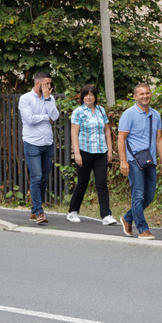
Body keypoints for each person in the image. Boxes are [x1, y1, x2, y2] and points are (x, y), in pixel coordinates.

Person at [117, 83, 162, 240]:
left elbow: (159, 139)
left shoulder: (155, 114)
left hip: (150, 160)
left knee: (149, 195)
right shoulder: (129, 114)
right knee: (138, 195)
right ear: (135, 96)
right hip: (134, 160)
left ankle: (127, 218)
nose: (145, 96)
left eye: (147, 93)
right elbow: (121, 138)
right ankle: (142, 229)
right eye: (141, 94)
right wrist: (123, 161)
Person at [67, 85, 116, 225]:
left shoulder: (101, 110)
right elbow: (74, 134)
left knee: (102, 183)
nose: (88, 97)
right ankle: (72, 212)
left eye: (91, 95)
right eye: (86, 95)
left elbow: (107, 131)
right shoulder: (78, 112)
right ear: (82, 97)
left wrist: (110, 150)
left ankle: (106, 215)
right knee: (82, 182)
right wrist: (77, 153)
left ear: (95, 96)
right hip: (85, 151)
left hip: (101, 152)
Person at [19, 71, 60, 224]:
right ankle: (39, 212)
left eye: (50, 83)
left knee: (43, 178)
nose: (50, 86)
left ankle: (34, 210)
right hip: (32, 143)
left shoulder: (50, 99)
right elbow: (29, 119)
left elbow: (55, 117)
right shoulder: (26, 99)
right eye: (47, 84)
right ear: (38, 83)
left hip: (47, 143)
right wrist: (45, 118)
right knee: (36, 177)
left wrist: (48, 100)